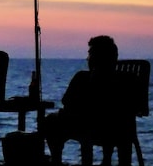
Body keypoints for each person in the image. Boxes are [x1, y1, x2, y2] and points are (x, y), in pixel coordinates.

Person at [44, 35, 138, 166]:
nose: (87, 59)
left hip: (90, 127)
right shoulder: (128, 80)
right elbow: (134, 108)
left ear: (98, 58)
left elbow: (67, 101)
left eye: (90, 54)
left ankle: (56, 161)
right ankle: (106, 159)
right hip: (118, 129)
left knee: (50, 121)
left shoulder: (82, 77)